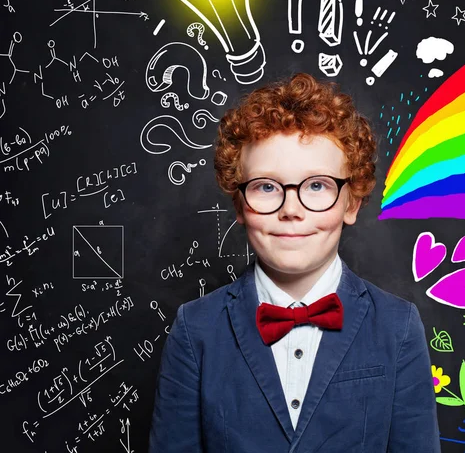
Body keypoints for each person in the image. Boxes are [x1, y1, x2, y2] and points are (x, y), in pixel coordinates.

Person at [148, 72, 441, 452]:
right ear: (241, 204)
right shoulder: (195, 329)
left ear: (351, 202)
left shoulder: (398, 327)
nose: (291, 209)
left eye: (317, 186)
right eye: (266, 187)